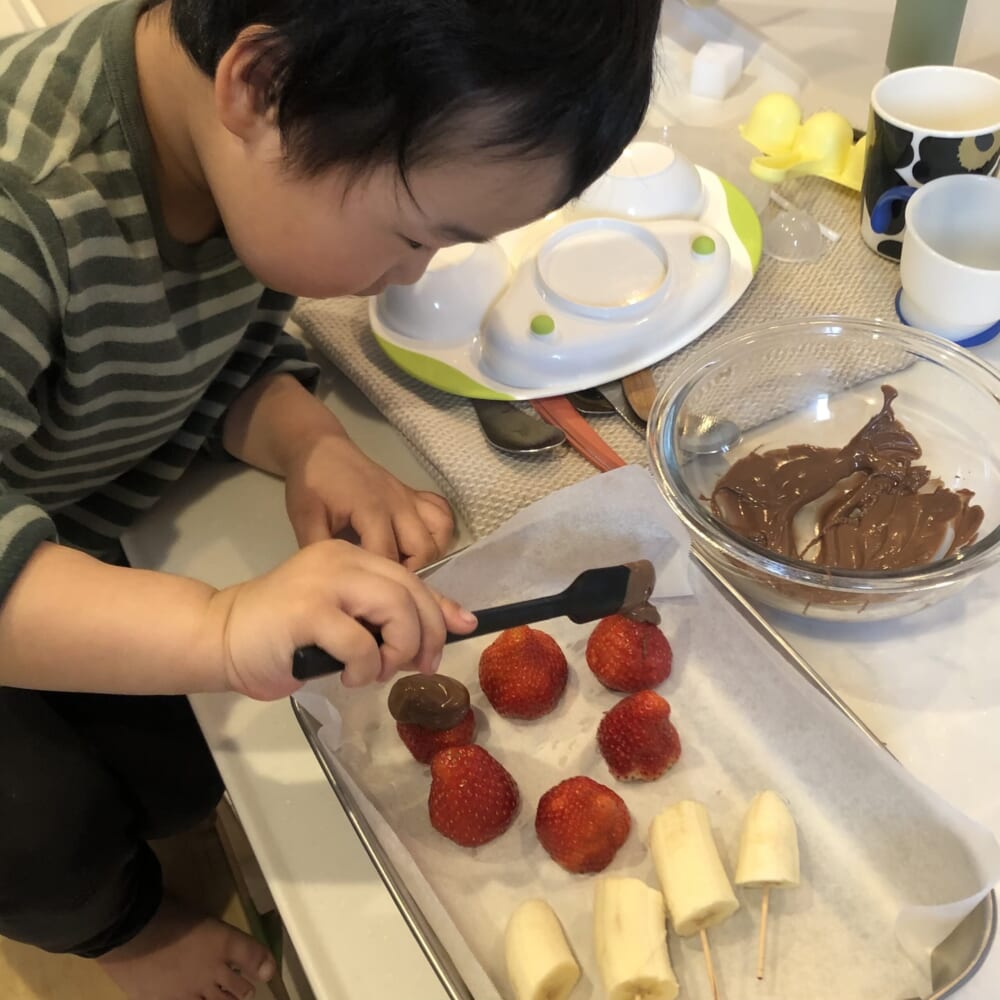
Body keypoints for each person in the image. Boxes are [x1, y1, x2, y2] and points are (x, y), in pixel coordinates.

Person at [0, 0, 661, 997]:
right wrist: (218, 627)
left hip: (53, 518)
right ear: (259, 86)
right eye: (411, 235)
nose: (411, 276)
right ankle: (121, 929)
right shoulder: (26, 206)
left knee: (192, 758)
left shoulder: (235, 153)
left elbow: (207, 351)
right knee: (39, 820)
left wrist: (308, 440)